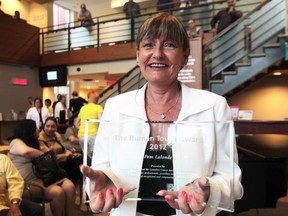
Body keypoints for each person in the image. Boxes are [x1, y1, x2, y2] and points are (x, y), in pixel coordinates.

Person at [80, 13, 243, 216]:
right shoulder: (115, 106)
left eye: (169, 45)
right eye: (148, 45)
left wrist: (209, 189)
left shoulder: (214, 106)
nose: (157, 54)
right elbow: (101, 172)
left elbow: (232, 181)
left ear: (185, 56)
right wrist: (102, 184)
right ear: (137, 55)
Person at [8, 119, 76, 216]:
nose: (38, 129)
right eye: (35, 127)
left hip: (42, 177)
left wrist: (49, 150)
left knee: (70, 186)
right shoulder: (16, 141)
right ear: (29, 130)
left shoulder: (34, 142)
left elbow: (50, 152)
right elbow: (26, 152)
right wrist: (44, 155)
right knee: (58, 192)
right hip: (27, 183)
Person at [38, 117, 83, 182]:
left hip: (65, 162)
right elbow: (49, 159)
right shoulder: (41, 139)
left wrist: (70, 152)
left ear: (56, 127)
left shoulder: (56, 135)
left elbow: (63, 149)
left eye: (52, 126)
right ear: (44, 126)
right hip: (56, 167)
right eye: (47, 126)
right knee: (79, 169)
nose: (50, 129)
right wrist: (66, 155)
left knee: (84, 160)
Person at [76, 91, 103, 159]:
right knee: (95, 156)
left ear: (88, 98)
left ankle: (86, 168)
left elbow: (76, 123)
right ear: (97, 99)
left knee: (86, 157)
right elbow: (101, 121)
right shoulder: (98, 107)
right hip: (93, 134)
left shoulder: (83, 108)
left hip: (82, 135)